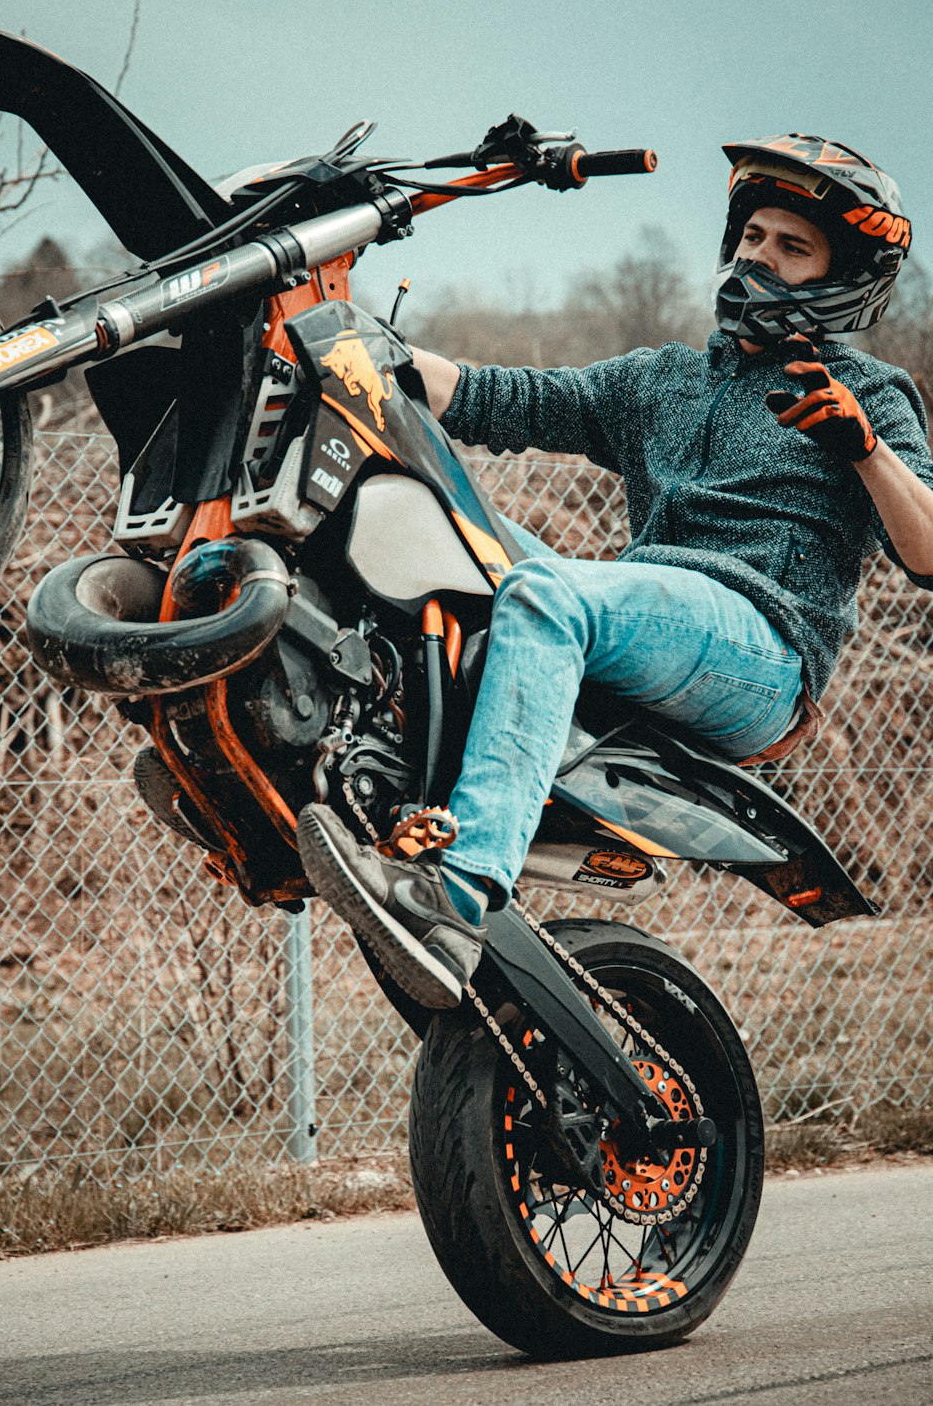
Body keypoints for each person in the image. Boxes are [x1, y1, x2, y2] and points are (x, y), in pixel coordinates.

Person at [298, 132, 933, 1011]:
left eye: (793, 247)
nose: (761, 258)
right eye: (753, 237)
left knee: (546, 591)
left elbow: (930, 550)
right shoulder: (664, 381)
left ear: (841, 276)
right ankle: (306, 763)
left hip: (761, 655)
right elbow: (493, 397)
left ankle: (459, 894)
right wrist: (354, 351)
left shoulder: (872, 393)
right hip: (655, 622)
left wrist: (862, 448)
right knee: (424, 526)